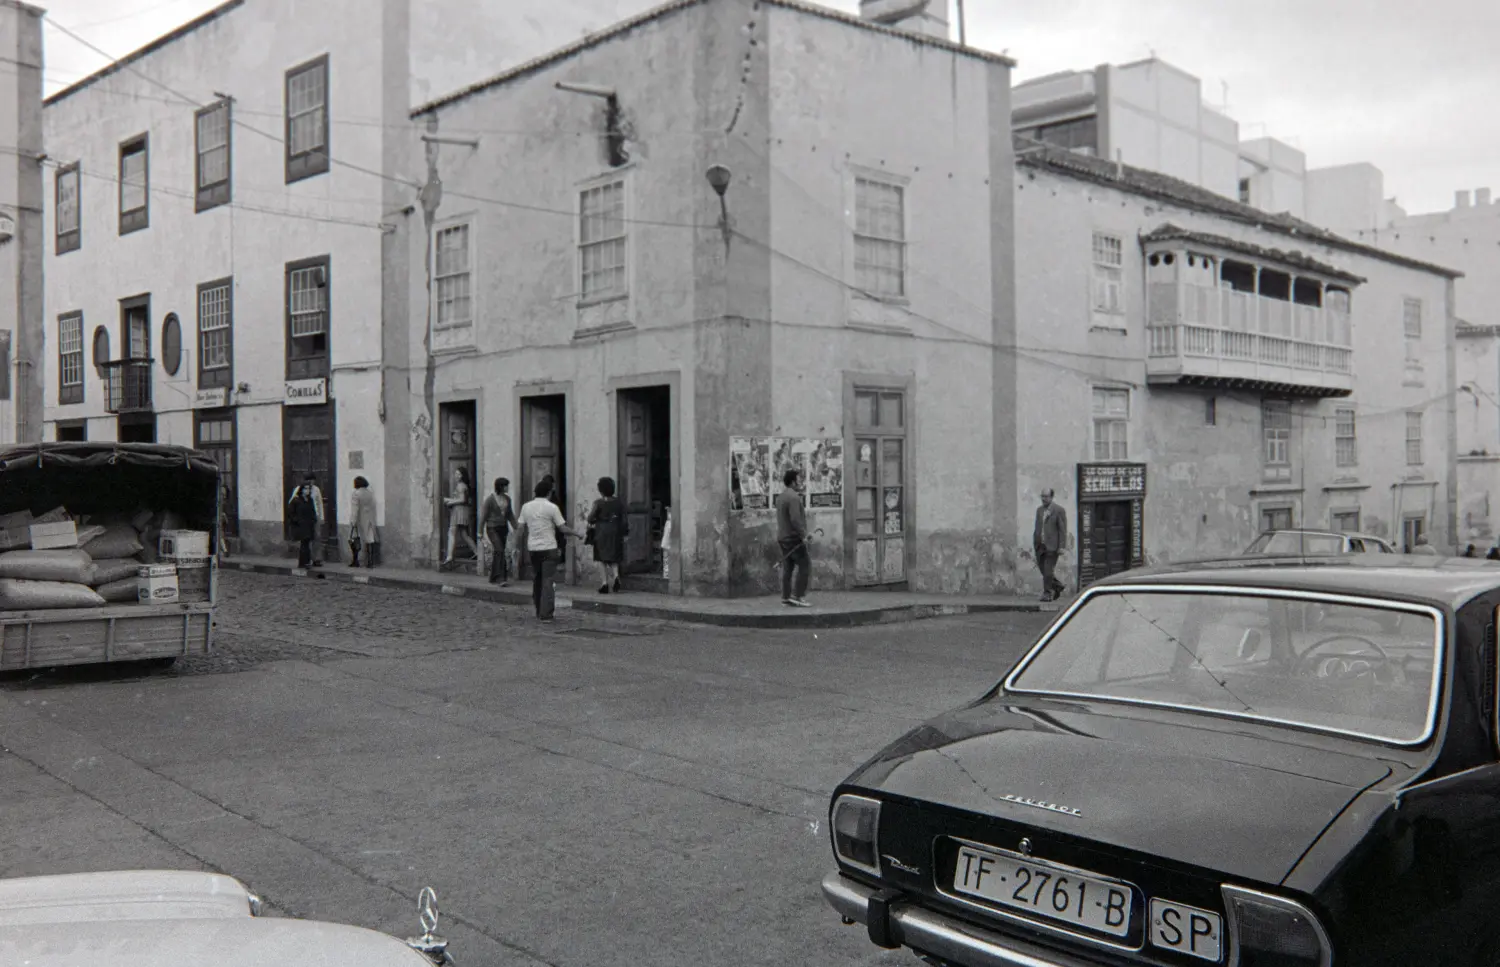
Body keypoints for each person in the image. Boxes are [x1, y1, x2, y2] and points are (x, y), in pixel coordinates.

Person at [516, 477, 577, 621]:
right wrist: (576, 533)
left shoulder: (526, 507)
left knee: (537, 579)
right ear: (549, 493)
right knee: (548, 579)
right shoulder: (552, 507)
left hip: (533, 548)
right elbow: (562, 528)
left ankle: (538, 609)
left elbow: (520, 529)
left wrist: (516, 546)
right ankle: (546, 613)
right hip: (549, 547)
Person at [776, 468, 811, 608]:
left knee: (788, 567)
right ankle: (798, 596)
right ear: (792, 482)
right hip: (793, 538)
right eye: (798, 480)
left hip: (783, 537)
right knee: (805, 565)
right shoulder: (794, 498)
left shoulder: (781, 497)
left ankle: (786, 597)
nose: (800, 482)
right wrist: (804, 535)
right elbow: (795, 519)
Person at [587, 476, 628, 594]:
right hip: (615, 530)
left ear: (601, 490)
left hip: (602, 531)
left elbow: (590, 518)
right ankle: (616, 576)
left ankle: (604, 583)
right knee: (614, 557)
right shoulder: (619, 503)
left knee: (600, 557)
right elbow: (624, 520)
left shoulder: (598, 503)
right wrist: (625, 533)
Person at [478, 477, 518, 585]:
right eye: (506, 486)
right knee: (499, 550)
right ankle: (501, 578)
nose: (508, 488)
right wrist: (480, 532)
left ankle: (493, 576)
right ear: (500, 486)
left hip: (503, 528)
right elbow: (483, 517)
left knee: (499, 551)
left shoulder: (507, 499)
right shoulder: (490, 500)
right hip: (492, 528)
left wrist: (516, 527)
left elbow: (510, 515)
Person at [1033, 488, 1068, 602]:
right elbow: (1037, 527)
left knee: (1048, 571)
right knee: (1043, 571)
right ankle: (1058, 586)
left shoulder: (1059, 510)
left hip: (1052, 546)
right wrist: (1035, 541)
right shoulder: (1039, 510)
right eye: (1042, 496)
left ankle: (1047, 594)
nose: (1043, 499)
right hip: (1040, 546)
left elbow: (1062, 530)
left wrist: (1061, 546)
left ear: (1051, 497)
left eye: (1046, 496)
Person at [442, 466, 478, 568]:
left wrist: (449, 501)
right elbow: (462, 499)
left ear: (462, 476)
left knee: (451, 532)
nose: (456, 476)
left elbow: (462, 500)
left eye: (458, 474)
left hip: (458, 511)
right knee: (464, 534)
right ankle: (477, 552)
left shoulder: (460, 486)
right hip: (463, 511)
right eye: (456, 473)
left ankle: (449, 556)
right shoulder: (463, 485)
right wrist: (450, 500)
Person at [287, 473, 326, 566]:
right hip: (303, 518)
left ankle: (316, 559)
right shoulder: (299, 489)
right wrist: (296, 518)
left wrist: (321, 517)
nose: (311, 483)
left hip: (314, 516)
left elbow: (319, 503)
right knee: (305, 540)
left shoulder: (316, 490)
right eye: (309, 480)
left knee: (317, 537)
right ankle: (306, 560)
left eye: (312, 481)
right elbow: (292, 503)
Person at [349, 476, 378, 569]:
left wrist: (353, 521)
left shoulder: (356, 494)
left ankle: (355, 560)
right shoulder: (370, 493)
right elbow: (373, 506)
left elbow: (355, 509)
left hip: (360, 520)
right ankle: (370, 561)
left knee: (355, 539)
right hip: (369, 520)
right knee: (370, 540)